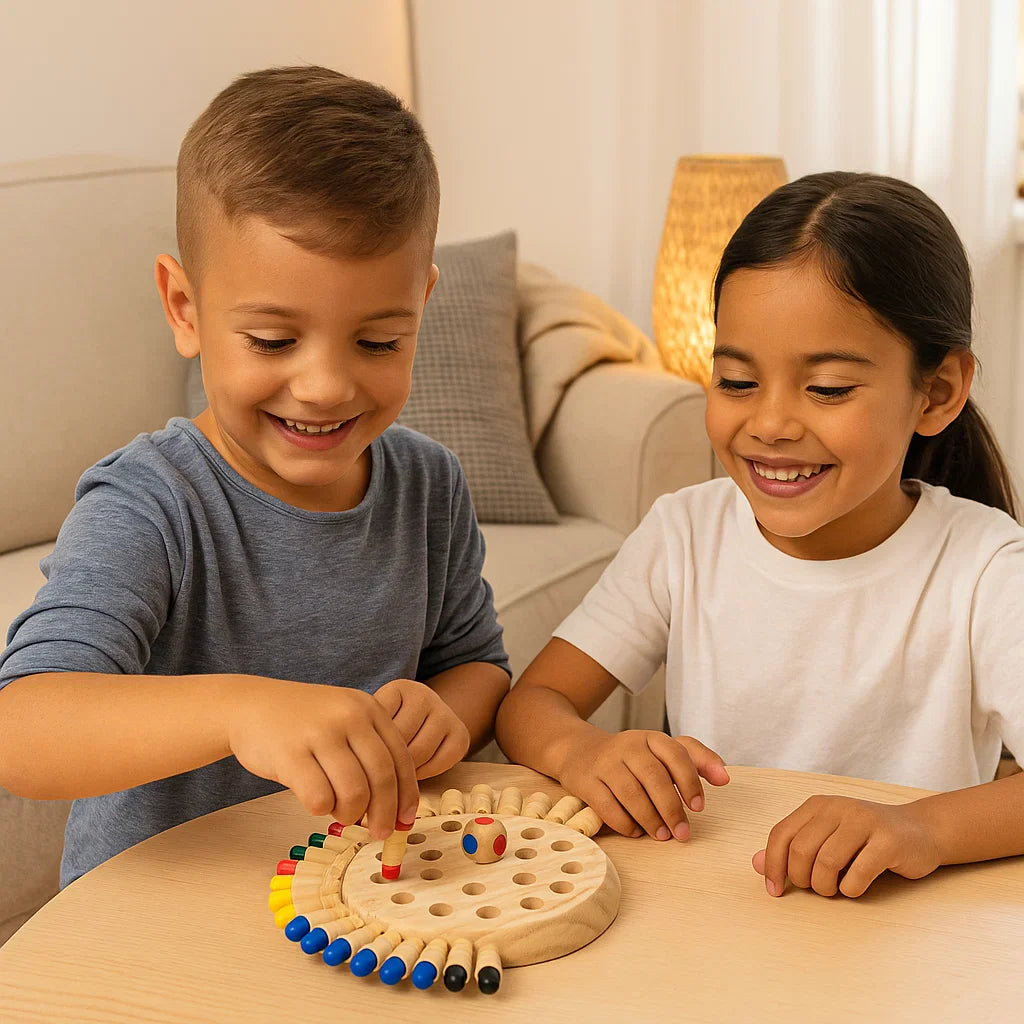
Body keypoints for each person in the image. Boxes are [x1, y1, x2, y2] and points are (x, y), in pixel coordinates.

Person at [0, 66, 510, 887]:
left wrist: (445, 711)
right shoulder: (152, 502)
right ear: (185, 308)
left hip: (348, 902)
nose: (326, 386)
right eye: (273, 341)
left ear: (424, 303)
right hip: (156, 924)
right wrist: (242, 709)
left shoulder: (428, 486)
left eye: (378, 341)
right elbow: (21, 728)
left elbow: (478, 663)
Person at [496, 171, 1024, 899]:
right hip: (713, 915)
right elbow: (532, 703)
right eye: (738, 382)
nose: (770, 425)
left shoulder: (984, 568)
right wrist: (583, 750)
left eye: (829, 388)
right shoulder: (684, 534)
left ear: (937, 393)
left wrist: (921, 829)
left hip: (903, 940)